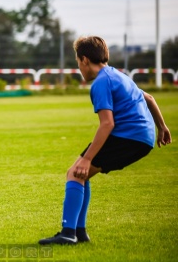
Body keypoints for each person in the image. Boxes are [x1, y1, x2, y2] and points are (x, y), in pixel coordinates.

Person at [39, 36, 172, 245]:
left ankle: (68, 233)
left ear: (84, 59)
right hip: (142, 136)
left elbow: (107, 124)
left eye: (77, 63)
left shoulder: (101, 82)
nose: (79, 68)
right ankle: (79, 232)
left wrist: (87, 157)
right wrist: (162, 127)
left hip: (128, 137)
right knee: (81, 175)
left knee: (75, 173)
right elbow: (149, 98)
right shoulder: (119, 76)